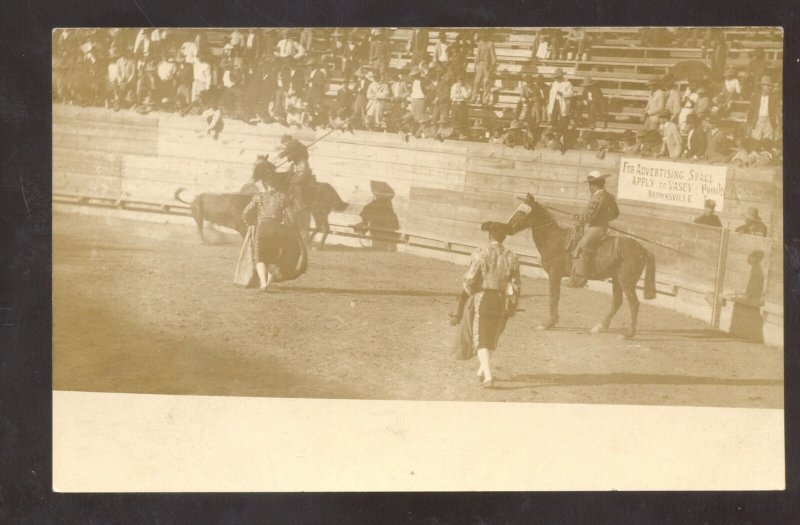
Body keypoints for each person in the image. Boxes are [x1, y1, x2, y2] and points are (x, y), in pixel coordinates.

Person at [450, 221, 521, 388]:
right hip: (501, 300)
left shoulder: (481, 253)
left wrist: (471, 293)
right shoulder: (512, 256)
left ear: (490, 236)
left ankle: (488, 376)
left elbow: (469, 280)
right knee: (492, 337)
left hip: (483, 298)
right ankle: (482, 369)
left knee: (481, 337)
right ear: (504, 237)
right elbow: (516, 285)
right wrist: (511, 304)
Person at [242, 159, 294, 291]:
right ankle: (269, 280)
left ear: (265, 184)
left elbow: (246, 212)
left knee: (259, 257)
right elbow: (290, 217)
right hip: (276, 227)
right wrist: (289, 228)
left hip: (262, 227)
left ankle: (263, 284)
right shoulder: (283, 197)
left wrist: (250, 224)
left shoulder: (259, 196)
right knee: (272, 257)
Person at [566, 171, 620, 288]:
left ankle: (579, 279)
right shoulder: (609, 196)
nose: (589, 188)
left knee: (581, 247)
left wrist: (574, 217)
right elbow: (616, 213)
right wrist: (605, 217)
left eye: (590, 185)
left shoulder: (597, 197)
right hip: (603, 227)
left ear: (593, 185)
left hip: (596, 229)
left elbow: (589, 217)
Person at [747, 76, 780, 142]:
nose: (769, 88)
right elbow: (751, 111)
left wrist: (777, 124)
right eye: (767, 86)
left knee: (767, 141)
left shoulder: (774, 97)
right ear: (762, 86)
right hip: (757, 120)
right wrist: (749, 124)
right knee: (755, 141)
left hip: (769, 121)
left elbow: (777, 111)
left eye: (770, 86)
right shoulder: (755, 96)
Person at [470, 31, 496, 105]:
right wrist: (475, 65)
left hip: (487, 65)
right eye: (482, 37)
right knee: (476, 82)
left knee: (486, 82)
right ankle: (473, 98)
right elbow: (477, 54)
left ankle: (485, 100)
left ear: (487, 37)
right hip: (480, 64)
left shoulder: (490, 44)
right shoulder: (480, 43)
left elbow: (493, 56)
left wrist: (492, 66)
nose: (483, 38)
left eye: (484, 36)